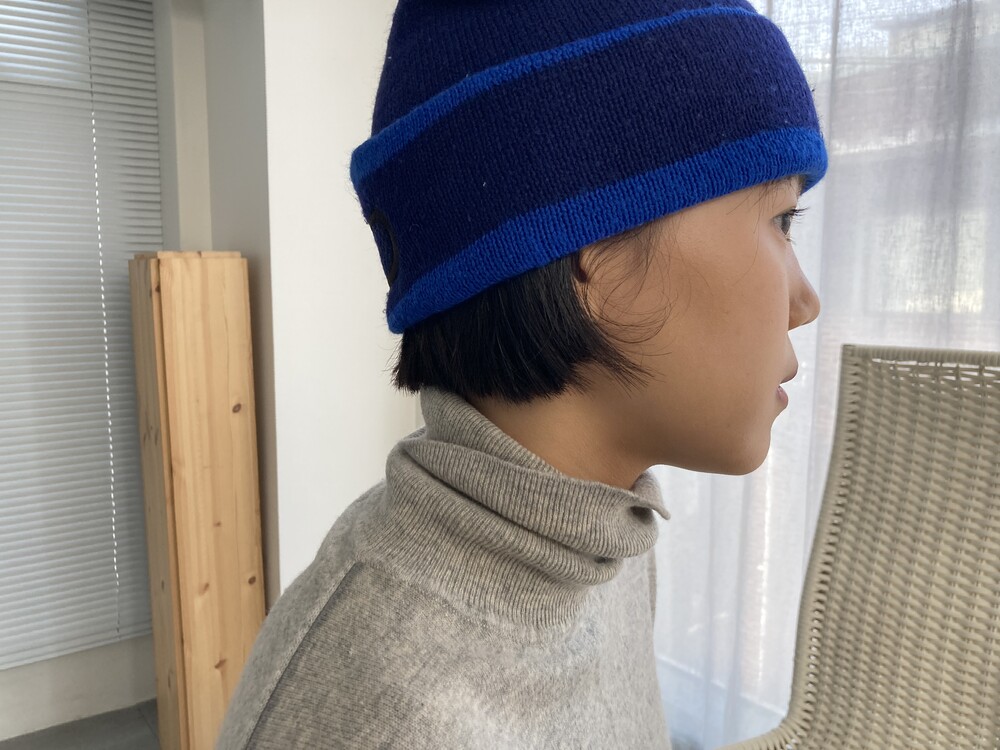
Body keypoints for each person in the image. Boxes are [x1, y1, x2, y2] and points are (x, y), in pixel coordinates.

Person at [216, 0, 826, 747]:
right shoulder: (375, 716)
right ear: (592, 249)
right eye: (781, 221)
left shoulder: (607, 540)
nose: (806, 302)